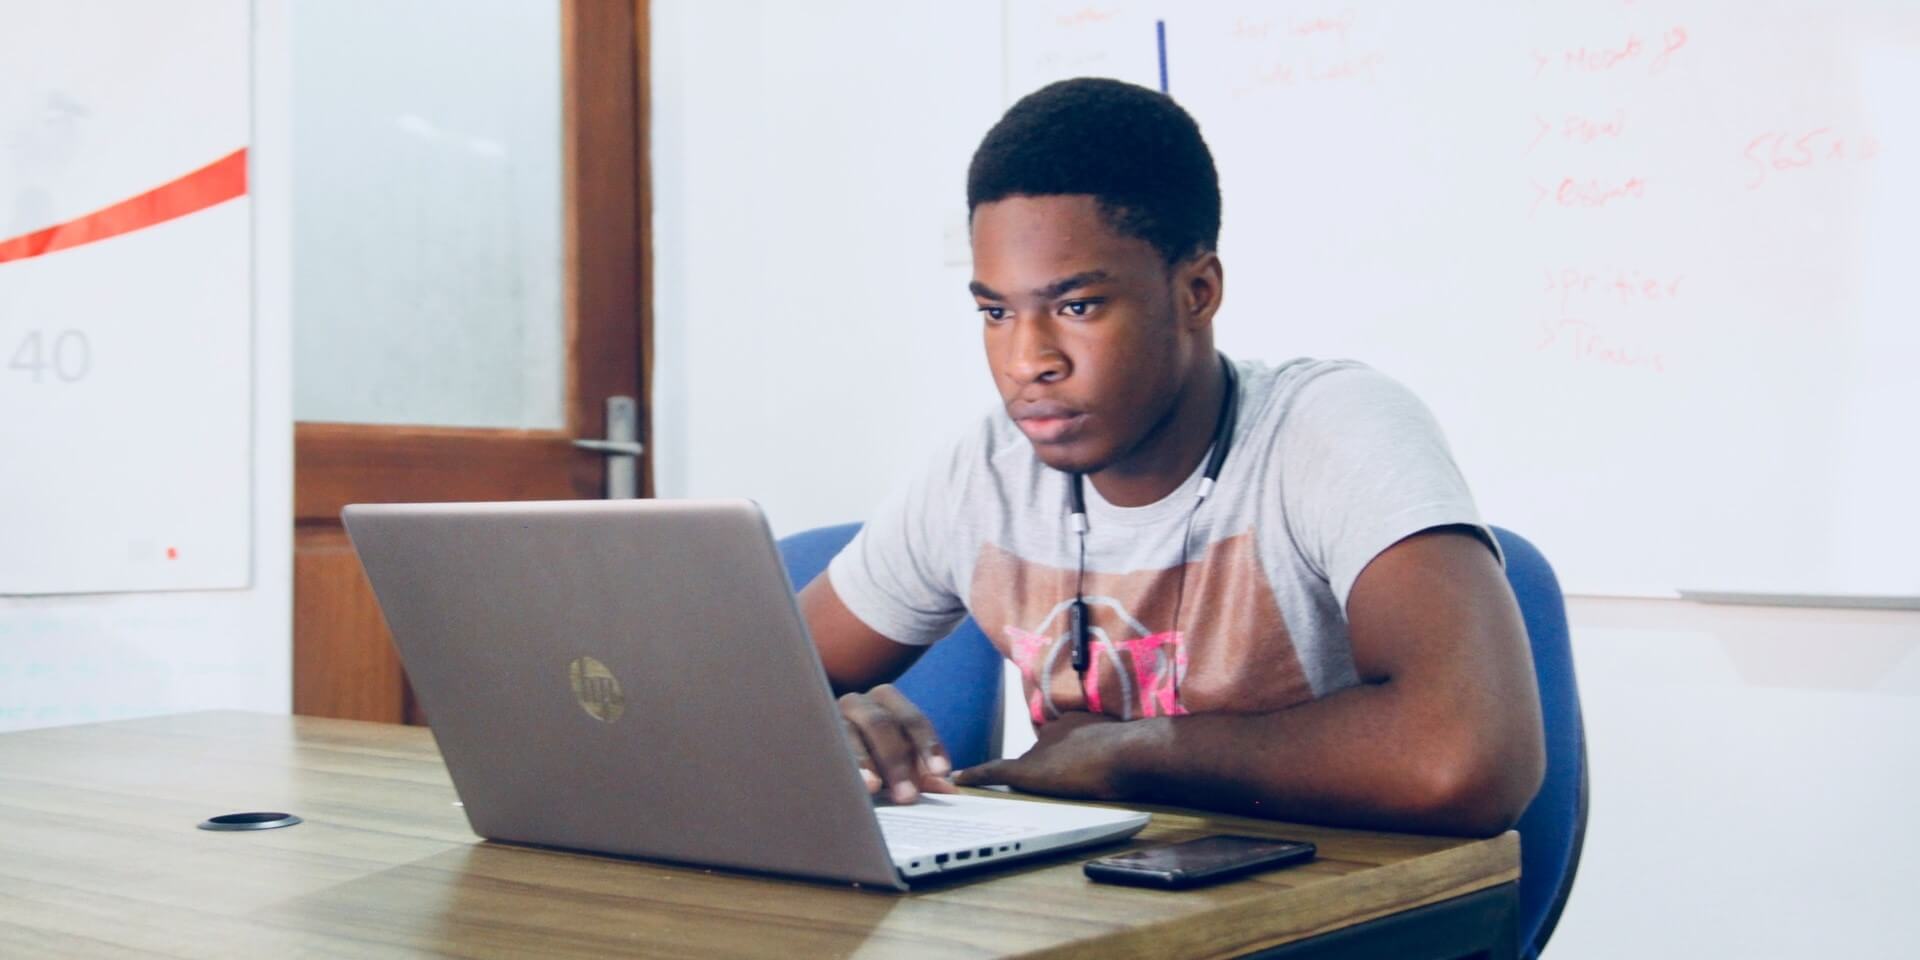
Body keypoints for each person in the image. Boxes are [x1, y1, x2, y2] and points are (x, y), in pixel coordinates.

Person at [800, 77, 1544, 837]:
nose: (1027, 360)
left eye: (1077, 307)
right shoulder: (985, 471)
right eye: (996, 312)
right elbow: (733, 690)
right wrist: (830, 724)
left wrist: (1134, 753)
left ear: (1196, 291)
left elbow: (1465, 759)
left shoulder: (1331, 429)